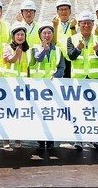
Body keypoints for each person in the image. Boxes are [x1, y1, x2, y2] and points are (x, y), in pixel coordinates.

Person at [66, 11, 98, 150]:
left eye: (89, 23)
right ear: (78, 25)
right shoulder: (72, 39)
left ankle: (94, 138)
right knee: (79, 110)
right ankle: (78, 139)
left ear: (93, 24)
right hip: (78, 81)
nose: (86, 25)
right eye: (84, 23)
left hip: (94, 80)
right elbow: (70, 57)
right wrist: (78, 48)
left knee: (95, 111)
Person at [31, 21, 64, 150]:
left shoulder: (58, 50)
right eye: (44, 33)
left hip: (53, 86)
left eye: (49, 33)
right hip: (39, 87)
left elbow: (61, 67)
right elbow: (37, 59)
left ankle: (51, 140)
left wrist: (55, 78)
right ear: (40, 35)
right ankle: (41, 140)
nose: (47, 35)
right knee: (40, 114)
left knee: (52, 113)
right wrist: (44, 50)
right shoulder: (35, 48)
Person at [52, 0, 77, 77]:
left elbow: (77, 42)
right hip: (58, 58)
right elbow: (52, 43)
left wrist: (73, 28)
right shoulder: (53, 25)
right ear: (57, 12)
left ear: (70, 11)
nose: (64, 12)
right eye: (61, 9)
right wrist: (54, 26)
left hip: (71, 58)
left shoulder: (76, 24)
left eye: (66, 9)